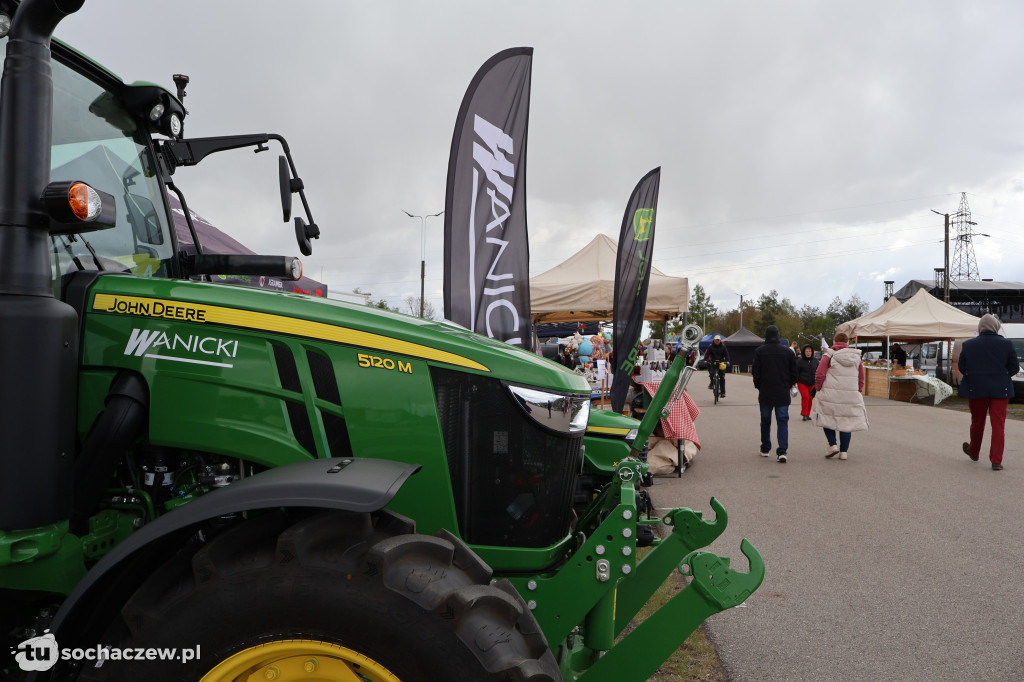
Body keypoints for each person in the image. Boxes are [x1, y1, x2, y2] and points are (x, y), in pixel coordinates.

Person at [958, 314, 1019, 471]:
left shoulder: (968, 345)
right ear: (996, 327)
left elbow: (962, 367)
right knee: (998, 425)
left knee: (977, 422)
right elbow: (1014, 368)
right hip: (1001, 390)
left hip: (977, 389)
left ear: (980, 328)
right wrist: (1001, 377)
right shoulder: (1007, 344)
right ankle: (996, 461)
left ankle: (974, 451)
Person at [813, 331, 868, 461]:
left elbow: (819, 373)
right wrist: (858, 390)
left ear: (834, 341)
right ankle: (844, 452)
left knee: (827, 418)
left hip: (831, 393)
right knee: (846, 422)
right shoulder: (856, 357)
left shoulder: (829, 355)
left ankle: (832, 445)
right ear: (847, 342)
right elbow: (861, 376)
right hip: (850, 394)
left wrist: (818, 387)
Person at [752, 325, 797, 462]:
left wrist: (759, 386)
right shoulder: (788, 352)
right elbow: (794, 372)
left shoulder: (760, 351)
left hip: (766, 391)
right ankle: (782, 450)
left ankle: (765, 448)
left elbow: (756, 372)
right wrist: (790, 385)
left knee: (765, 421)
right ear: (778, 335)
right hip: (782, 391)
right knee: (782, 421)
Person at [795, 344, 819, 421]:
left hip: (812, 383)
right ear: (803, 352)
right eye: (806, 351)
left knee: (811, 398)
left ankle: (807, 414)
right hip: (802, 382)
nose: (808, 353)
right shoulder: (799, 361)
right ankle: (804, 414)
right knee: (805, 397)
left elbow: (818, 371)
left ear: (812, 352)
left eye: (810, 351)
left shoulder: (815, 361)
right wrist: (794, 382)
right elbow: (796, 372)